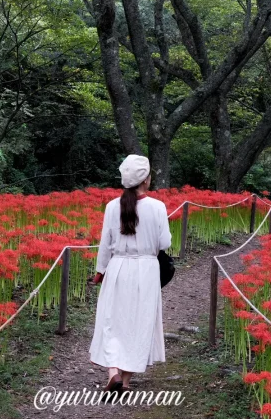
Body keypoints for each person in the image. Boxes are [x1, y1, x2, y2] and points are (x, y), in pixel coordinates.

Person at [88, 154, 172, 395]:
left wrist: (99, 273)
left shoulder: (112, 206)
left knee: (112, 321)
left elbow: (105, 244)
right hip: (146, 269)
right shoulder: (157, 207)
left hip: (117, 268)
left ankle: (112, 371)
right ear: (145, 180)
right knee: (139, 322)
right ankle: (124, 382)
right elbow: (164, 242)